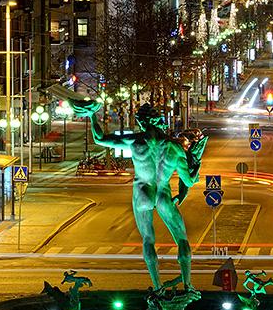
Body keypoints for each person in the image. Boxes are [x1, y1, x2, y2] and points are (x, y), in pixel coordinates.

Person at [72, 100, 207, 291]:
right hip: (163, 193)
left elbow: (99, 138)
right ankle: (187, 284)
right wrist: (197, 167)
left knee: (148, 239)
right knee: (182, 239)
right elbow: (189, 180)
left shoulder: (135, 140)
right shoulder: (174, 148)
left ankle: (158, 286)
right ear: (159, 121)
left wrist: (93, 115)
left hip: (143, 190)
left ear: (142, 123)